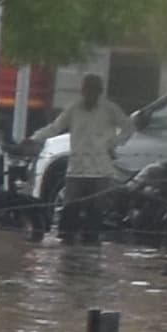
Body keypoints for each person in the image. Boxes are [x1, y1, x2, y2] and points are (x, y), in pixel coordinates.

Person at [57, 73, 126, 230]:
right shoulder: (73, 109)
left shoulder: (110, 110)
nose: (89, 95)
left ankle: (91, 240)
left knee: (95, 212)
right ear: (83, 91)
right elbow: (56, 127)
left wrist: (113, 143)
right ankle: (68, 240)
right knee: (70, 211)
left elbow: (129, 128)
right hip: (76, 169)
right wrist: (35, 139)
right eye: (87, 91)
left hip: (100, 171)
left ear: (99, 92)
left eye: (93, 91)